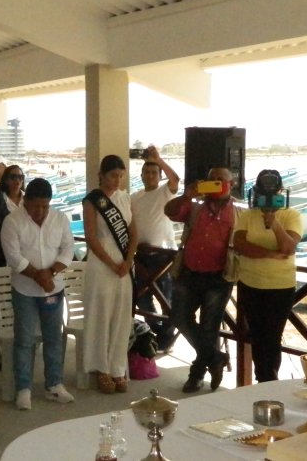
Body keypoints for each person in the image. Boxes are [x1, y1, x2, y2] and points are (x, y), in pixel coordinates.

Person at [0, 178, 76, 410]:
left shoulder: (60, 218)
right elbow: (13, 257)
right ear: (26, 201)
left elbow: (68, 249)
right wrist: (39, 277)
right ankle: (23, 388)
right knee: (24, 340)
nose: (40, 211)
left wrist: (50, 273)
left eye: (45, 206)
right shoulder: (12, 221)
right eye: (36, 206)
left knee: (53, 337)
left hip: (54, 288)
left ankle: (54, 384)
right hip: (24, 290)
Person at [164, 167, 237, 393]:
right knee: (179, 318)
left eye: (220, 180)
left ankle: (196, 375)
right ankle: (216, 358)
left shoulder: (239, 212)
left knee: (209, 329)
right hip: (189, 273)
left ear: (231, 184)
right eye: (211, 179)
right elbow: (170, 211)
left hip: (218, 278)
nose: (215, 183)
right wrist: (187, 195)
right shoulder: (194, 207)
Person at [232, 169, 301, 383]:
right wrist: (271, 253)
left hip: (280, 287)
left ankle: (267, 379)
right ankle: (264, 378)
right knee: (257, 336)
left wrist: (275, 223)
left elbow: (288, 247)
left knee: (272, 338)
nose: (267, 198)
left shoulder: (292, 215)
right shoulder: (246, 215)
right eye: (263, 193)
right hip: (250, 284)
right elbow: (240, 245)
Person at [81, 154, 138, 395]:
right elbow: (92, 238)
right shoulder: (92, 201)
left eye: (121, 176)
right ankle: (100, 368)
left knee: (121, 316)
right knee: (100, 317)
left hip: (124, 266)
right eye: (113, 175)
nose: (117, 180)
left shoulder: (125, 199)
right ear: (102, 175)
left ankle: (117, 367)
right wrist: (113, 264)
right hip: (101, 266)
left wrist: (128, 260)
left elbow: (134, 232)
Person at [129, 146, 180, 352]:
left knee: (167, 299)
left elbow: (175, 179)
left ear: (159, 176)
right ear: (141, 175)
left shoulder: (164, 192)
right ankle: (156, 334)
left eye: (154, 173)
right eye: (147, 172)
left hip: (163, 256)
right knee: (142, 298)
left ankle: (165, 337)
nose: (150, 175)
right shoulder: (135, 197)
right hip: (141, 256)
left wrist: (159, 160)